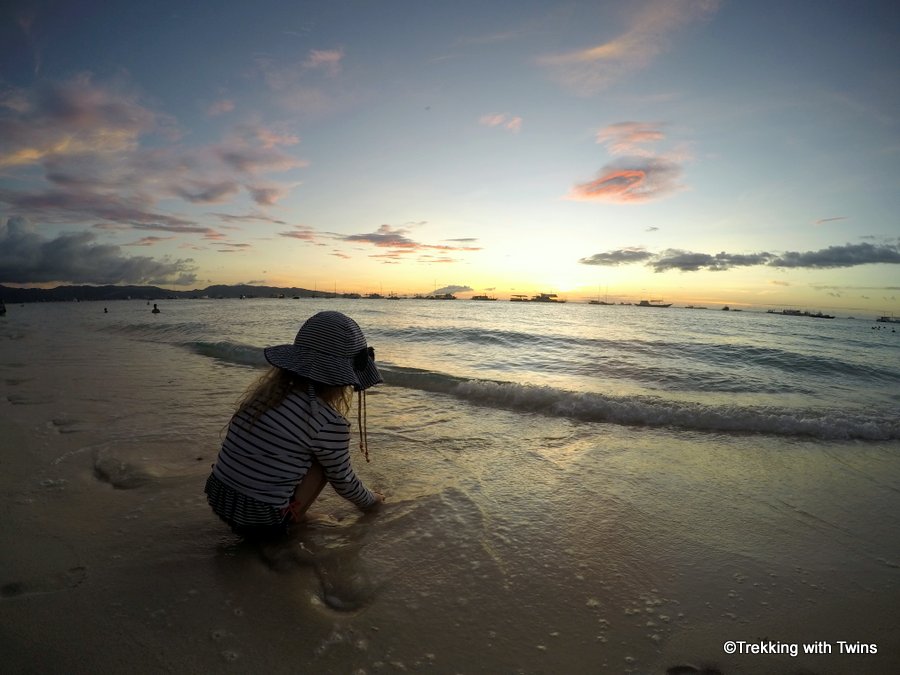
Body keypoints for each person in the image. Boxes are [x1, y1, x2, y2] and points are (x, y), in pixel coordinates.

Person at [205, 311, 384, 540]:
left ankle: (286, 512)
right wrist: (373, 502)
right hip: (259, 520)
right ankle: (291, 521)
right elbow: (344, 480)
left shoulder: (264, 397)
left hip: (219, 497)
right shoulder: (326, 421)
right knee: (324, 464)